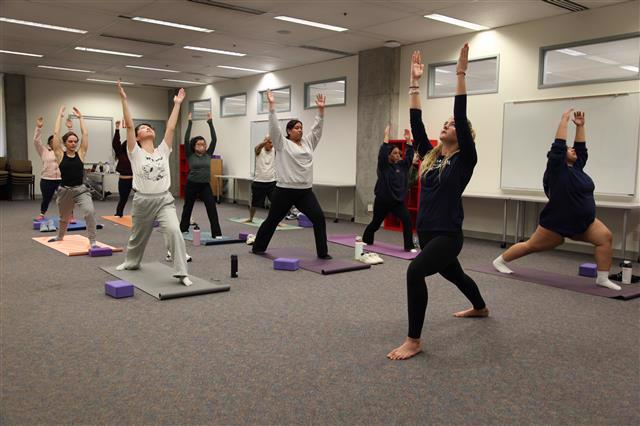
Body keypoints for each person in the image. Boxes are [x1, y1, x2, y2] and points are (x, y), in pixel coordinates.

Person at [388, 45, 488, 361]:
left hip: (448, 234)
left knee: (415, 273)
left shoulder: (465, 159)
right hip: (427, 232)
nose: (447, 125)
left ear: (464, 136)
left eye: (453, 125)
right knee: (454, 275)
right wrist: (414, 83)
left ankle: (413, 340)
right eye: (445, 123)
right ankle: (481, 308)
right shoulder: (431, 156)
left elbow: (461, 113)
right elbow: (416, 122)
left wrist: (460, 74)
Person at [492, 110, 620, 290]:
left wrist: (580, 126)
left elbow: (581, 148)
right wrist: (563, 121)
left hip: (583, 222)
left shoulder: (577, 168)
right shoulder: (556, 170)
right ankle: (499, 261)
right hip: (557, 223)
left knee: (605, 237)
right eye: (569, 149)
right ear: (558, 156)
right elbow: (558, 146)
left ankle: (602, 278)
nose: (573, 150)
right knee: (531, 246)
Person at [116, 82, 192, 286]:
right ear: (138, 138)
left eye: (148, 127)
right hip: (142, 200)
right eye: (142, 129)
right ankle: (131, 263)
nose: (145, 129)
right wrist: (124, 100)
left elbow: (171, 127)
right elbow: (130, 125)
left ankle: (182, 273)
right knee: (137, 237)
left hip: (164, 200)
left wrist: (177, 104)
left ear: (153, 134)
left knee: (175, 231)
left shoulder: (163, 150)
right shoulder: (135, 152)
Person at [251, 89, 331, 259]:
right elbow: (274, 128)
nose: (300, 130)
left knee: (319, 218)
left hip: (305, 192)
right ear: (288, 131)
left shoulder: (308, 143)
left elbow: (317, 130)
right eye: (296, 128)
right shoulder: (282, 144)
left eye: (301, 128)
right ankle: (258, 247)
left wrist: (321, 112)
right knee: (272, 220)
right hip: (284, 191)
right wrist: (272, 107)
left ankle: (323, 253)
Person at [47, 106, 98, 247]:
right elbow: (56, 133)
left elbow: (85, 134)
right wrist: (59, 115)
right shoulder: (59, 154)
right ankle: (60, 236)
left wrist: (81, 118)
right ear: (64, 143)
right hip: (65, 191)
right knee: (64, 218)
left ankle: (93, 241)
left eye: (75, 141)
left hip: (81, 190)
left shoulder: (80, 154)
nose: (74, 143)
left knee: (89, 212)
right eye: (70, 141)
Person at [362, 125, 416, 252]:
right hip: (383, 201)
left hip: (397, 202)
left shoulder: (402, 166)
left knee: (407, 221)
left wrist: (408, 140)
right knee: (376, 223)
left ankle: (409, 246)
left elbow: (409, 156)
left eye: (399, 153)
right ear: (389, 155)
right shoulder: (384, 167)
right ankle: (366, 239)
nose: (398, 155)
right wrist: (386, 138)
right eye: (395, 153)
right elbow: (381, 155)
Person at [179, 112, 222, 237]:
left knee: (212, 208)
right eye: (198, 144)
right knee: (188, 207)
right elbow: (186, 139)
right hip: (191, 184)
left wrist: (210, 123)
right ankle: (183, 229)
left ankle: (216, 233)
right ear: (194, 146)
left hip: (205, 185)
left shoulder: (208, 154)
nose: (201, 146)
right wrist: (190, 123)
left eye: (203, 144)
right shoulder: (190, 155)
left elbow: (214, 139)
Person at [33, 117, 61, 221]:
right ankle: (42, 214)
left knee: (65, 200)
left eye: (57, 141)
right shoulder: (44, 151)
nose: (55, 143)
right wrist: (38, 128)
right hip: (46, 179)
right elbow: (36, 141)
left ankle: (70, 216)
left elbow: (71, 142)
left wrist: (70, 129)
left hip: (61, 180)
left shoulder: (63, 152)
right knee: (46, 199)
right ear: (49, 143)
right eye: (53, 141)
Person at [246, 135, 276, 223]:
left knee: (276, 203)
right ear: (265, 142)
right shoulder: (259, 150)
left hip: (271, 182)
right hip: (259, 182)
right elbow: (257, 148)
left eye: (272, 143)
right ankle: (251, 218)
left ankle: (275, 220)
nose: (271, 145)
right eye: (269, 143)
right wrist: (266, 141)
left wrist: (272, 140)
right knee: (255, 203)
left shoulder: (274, 150)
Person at [112, 119, 134, 217]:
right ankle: (119, 213)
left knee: (143, 198)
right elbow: (116, 143)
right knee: (123, 197)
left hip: (136, 179)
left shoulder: (135, 154)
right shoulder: (121, 153)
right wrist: (117, 129)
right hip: (124, 179)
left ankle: (144, 215)